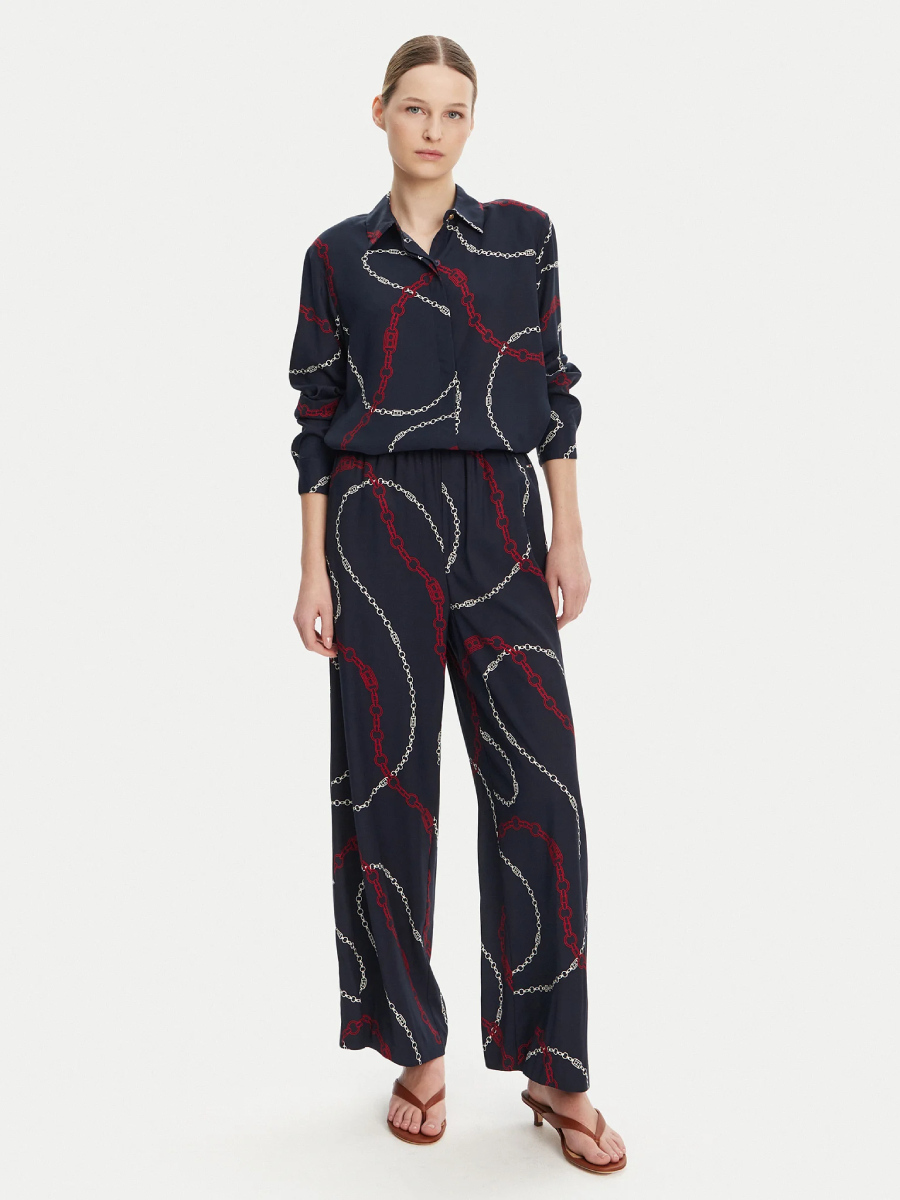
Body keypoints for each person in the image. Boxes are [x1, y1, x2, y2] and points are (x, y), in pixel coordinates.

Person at [288, 34, 627, 1175]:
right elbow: (314, 422)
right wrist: (313, 567)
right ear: (380, 111)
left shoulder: (523, 238)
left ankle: (554, 1067)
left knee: (543, 788)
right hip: (375, 519)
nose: (434, 130)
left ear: (472, 123)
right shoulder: (337, 257)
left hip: (499, 515)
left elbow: (557, 393)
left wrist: (566, 534)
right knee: (388, 786)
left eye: (455, 112)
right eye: (416, 108)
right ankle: (415, 1046)